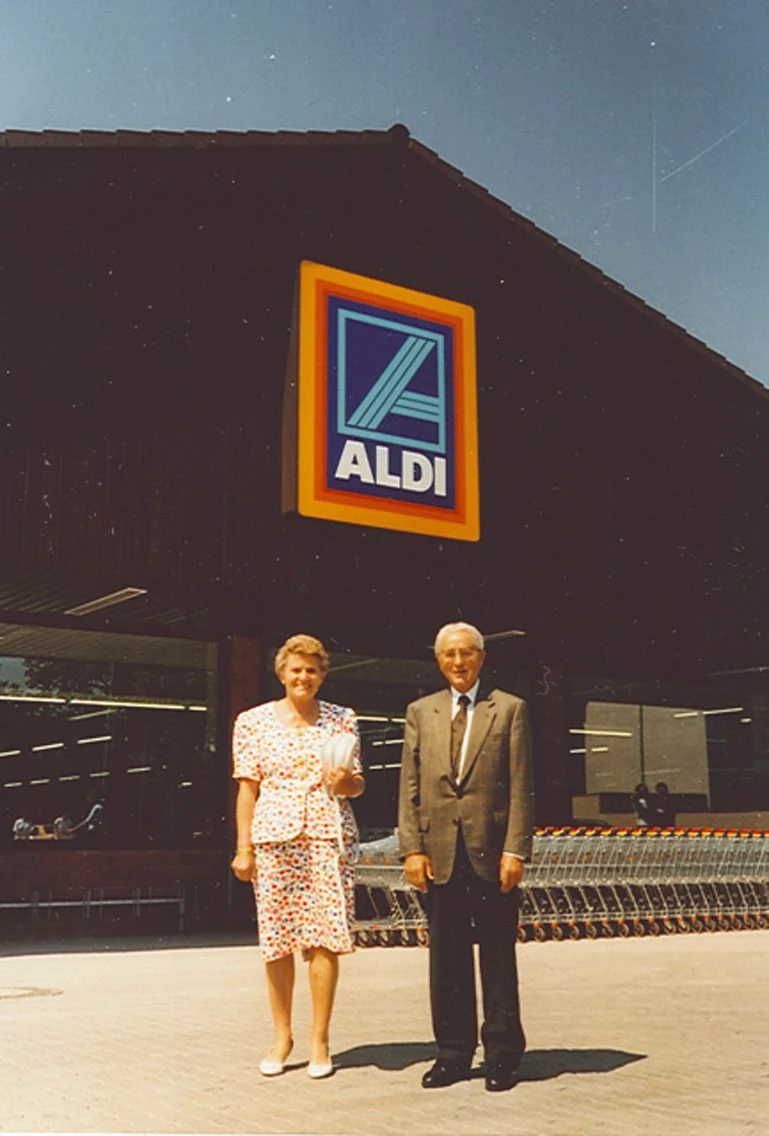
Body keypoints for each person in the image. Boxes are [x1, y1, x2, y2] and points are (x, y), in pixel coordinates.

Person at [398, 621, 534, 1093]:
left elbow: (520, 787)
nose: (459, 662)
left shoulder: (510, 709)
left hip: (493, 855)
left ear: (481, 657)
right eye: (449, 654)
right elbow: (410, 786)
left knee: (497, 957)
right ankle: (452, 1053)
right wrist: (411, 848)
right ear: (439, 660)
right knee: (446, 959)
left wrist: (516, 849)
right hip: (438, 855)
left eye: (467, 653)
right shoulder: (421, 711)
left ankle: (502, 1056)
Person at [230, 633, 365, 1081]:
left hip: (327, 834)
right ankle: (282, 1036)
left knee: (325, 937)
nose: (302, 676)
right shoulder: (251, 722)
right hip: (274, 838)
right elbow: (247, 790)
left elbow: (356, 786)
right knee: (278, 940)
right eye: (295, 669)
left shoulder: (342, 719)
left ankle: (319, 1039)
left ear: (322, 675)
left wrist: (343, 779)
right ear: (281, 673)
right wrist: (243, 848)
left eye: (311, 669)